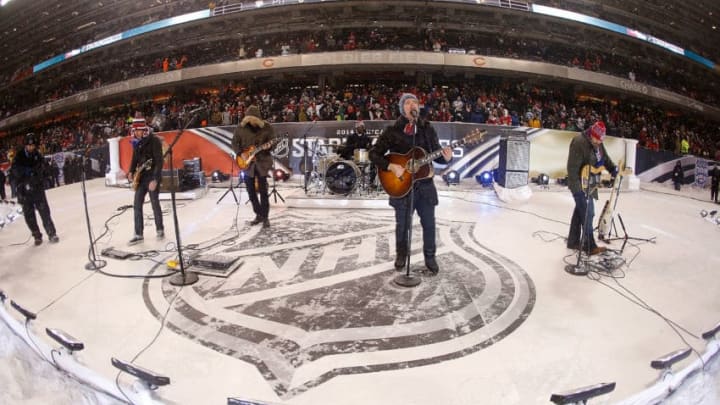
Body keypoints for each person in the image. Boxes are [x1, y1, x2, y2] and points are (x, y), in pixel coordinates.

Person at [369, 93, 452, 275]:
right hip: (401, 187)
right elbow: (373, 154)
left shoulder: (427, 128)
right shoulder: (392, 130)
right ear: (402, 107)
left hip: (425, 187)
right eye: (407, 102)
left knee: (429, 224)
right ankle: (401, 255)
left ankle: (430, 257)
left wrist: (446, 158)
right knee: (403, 225)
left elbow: (436, 155)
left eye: (415, 102)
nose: (412, 104)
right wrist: (391, 166)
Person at [566, 121, 617, 256]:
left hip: (591, 183)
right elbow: (572, 170)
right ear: (591, 135)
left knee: (580, 211)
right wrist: (577, 191)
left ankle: (573, 241)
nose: (599, 143)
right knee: (588, 212)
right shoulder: (579, 143)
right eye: (597, 140)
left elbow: (604, 158)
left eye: (601, 141)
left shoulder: (598, 143)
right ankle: (589, 246)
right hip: (579, 184)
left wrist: (613, 169)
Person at [232, 105, 276, 228]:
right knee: (251, 192)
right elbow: (234, 142)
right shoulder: (241, 128)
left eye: (254, 119)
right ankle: (258, 214)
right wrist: (241, 154)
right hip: (247, 165)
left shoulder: (267, 127)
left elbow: (273, 142)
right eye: (249, 119)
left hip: (262, 163)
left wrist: (269, 147)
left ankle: (265, 217)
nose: (251, 121)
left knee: (263, 191)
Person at [11, 133, 59, 245]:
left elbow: (43, 170)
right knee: (29, 215)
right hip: (24, 190)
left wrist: (40, 173)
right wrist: (26, 172)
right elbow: (15, 172)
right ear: (25, 145)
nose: (31, 147)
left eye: (33, 145)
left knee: (45, 212)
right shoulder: (19, 156)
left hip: (37, 189)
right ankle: (37, 235)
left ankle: (52, 233)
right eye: (29, 145)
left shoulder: (38, 155)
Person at [127, 115, 164, 245]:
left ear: (144, 130)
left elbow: (159, 162)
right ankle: (138, 234)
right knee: (137, 204)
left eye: (139, 130)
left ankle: (160, 229)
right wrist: (131, 171)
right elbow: (134, 159)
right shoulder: (137, 143)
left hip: (152, 176)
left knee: (154, 203)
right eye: (135, 130)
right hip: (142, 178)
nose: (137, 133)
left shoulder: (154, 141)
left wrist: (155, 179)